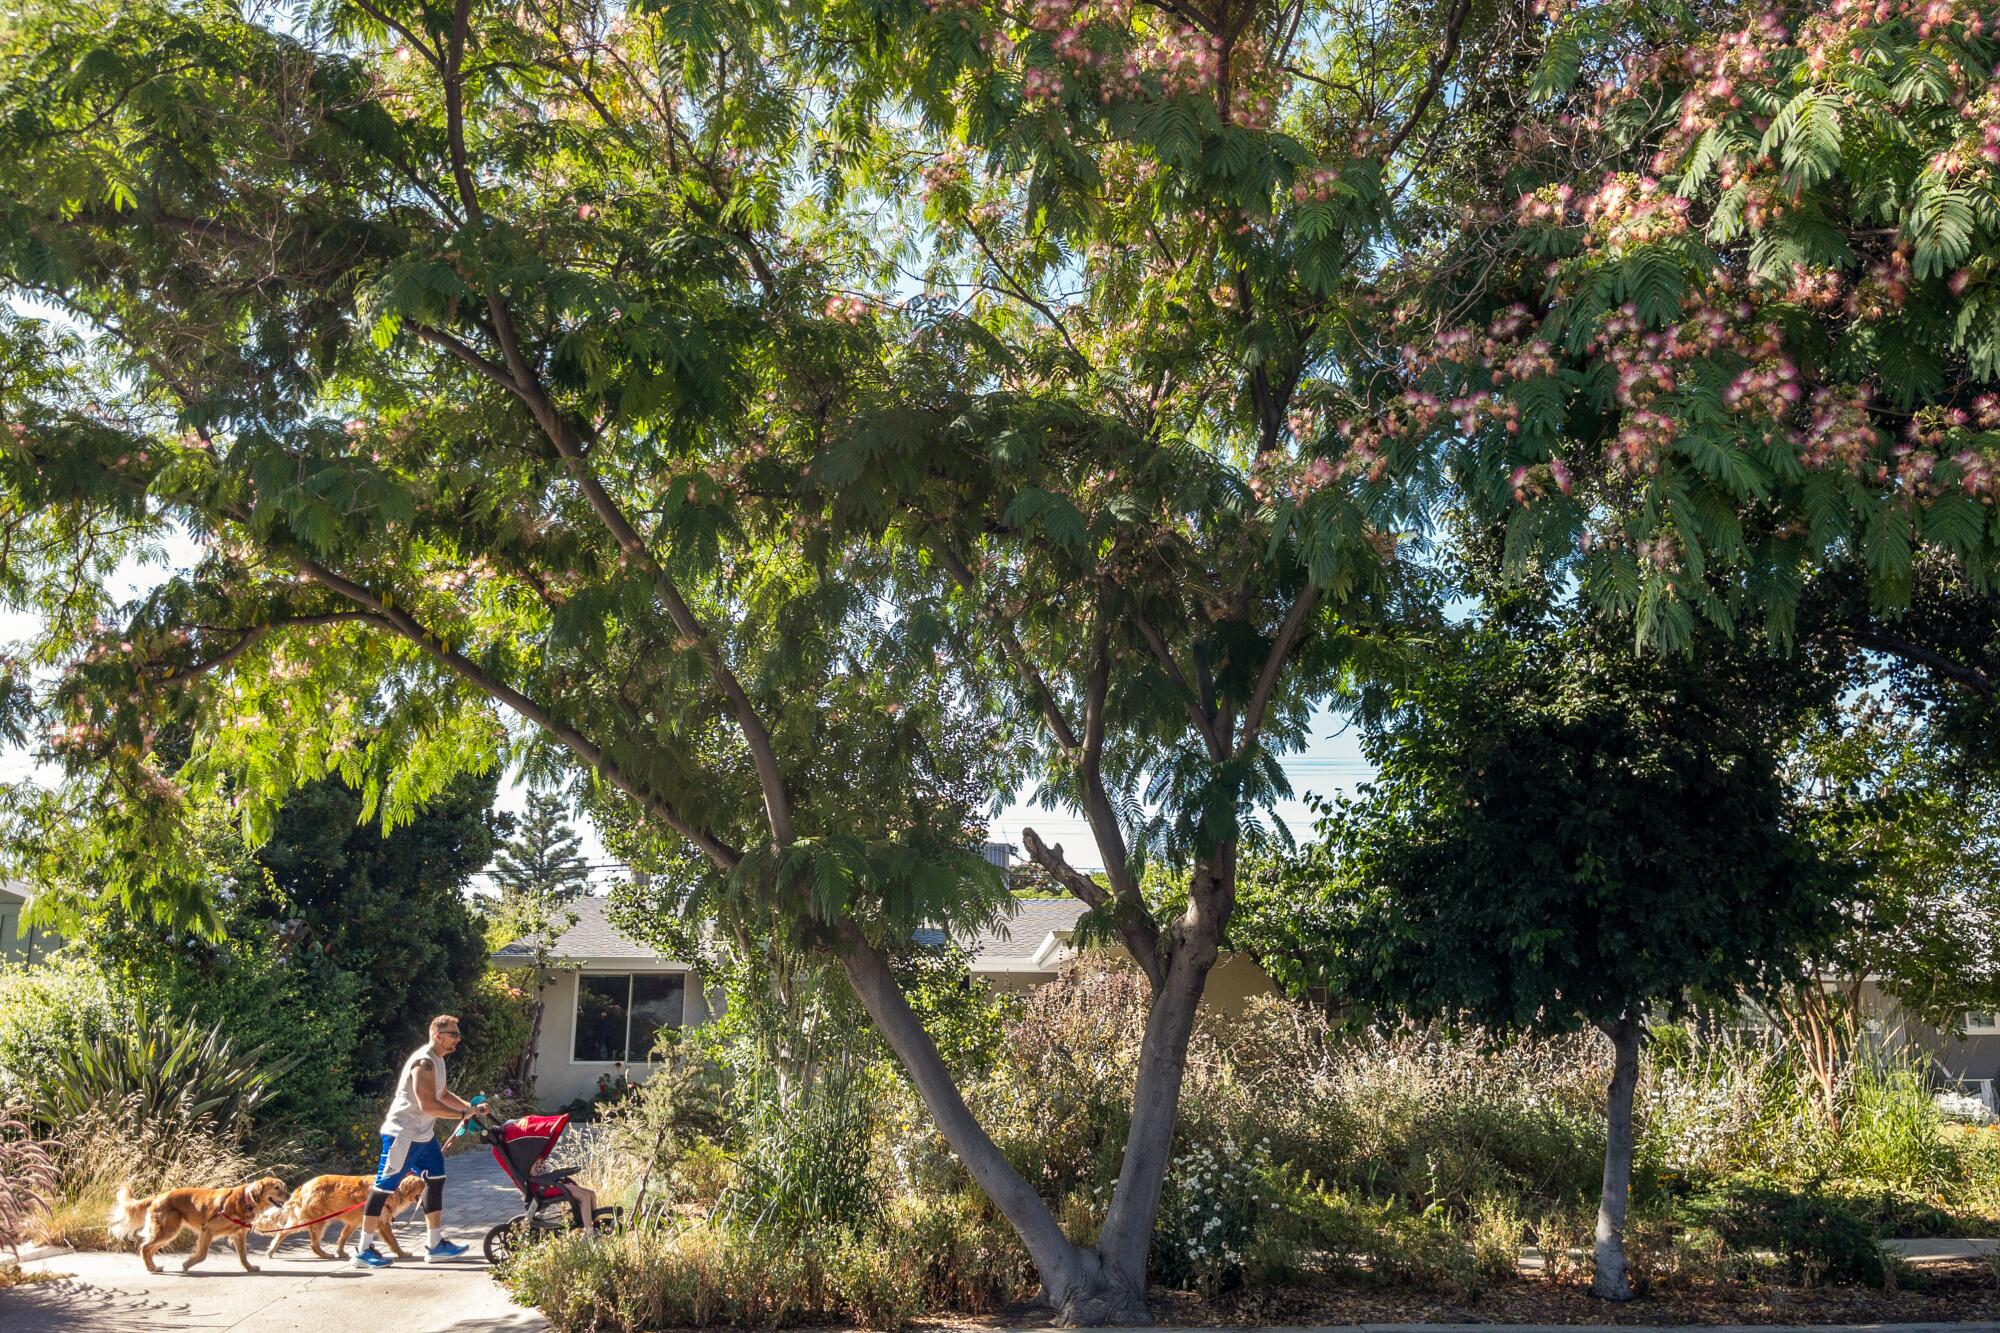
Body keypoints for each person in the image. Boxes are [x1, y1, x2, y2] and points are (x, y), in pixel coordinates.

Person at [354, 1014, 475, 1268]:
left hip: (424, 1135)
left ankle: (435, 1245)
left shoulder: (438, 1060)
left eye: (458, 1034)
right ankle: (363, 1250)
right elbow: (428, 1104)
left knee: (436, 1180)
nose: (458, 1039)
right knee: (383, 1188)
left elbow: (441, 1093)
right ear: (438, 1035)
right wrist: (461, 1115)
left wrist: (468, 1108)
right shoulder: (424, 1062)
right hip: (403, 1134)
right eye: (454, 1035)